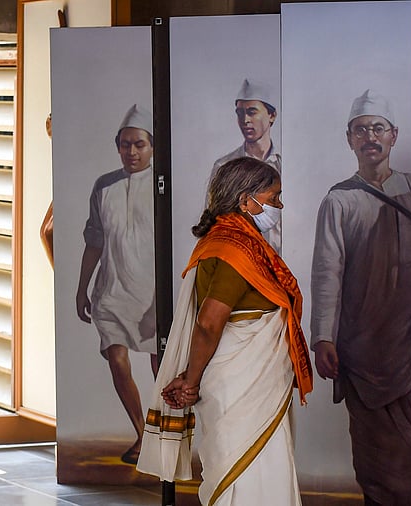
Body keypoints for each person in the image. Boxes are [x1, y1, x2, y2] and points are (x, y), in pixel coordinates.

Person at [138, 157, 313, 505]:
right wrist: (191, 379)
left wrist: (192, 376)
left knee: (259, 464)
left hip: (248, 378)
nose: (278, 205)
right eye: (273, 197)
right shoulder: (236, 248)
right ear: (246, 200)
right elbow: (209, 321)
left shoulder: (233, 241)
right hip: (241, 379)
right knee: (250, 468)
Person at [311, 89, 411, 505]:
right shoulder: (339, 200)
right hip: (364, 349)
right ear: (349, 139)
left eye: (378, 128)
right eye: (361, 130)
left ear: (394, 135)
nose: (370, 137)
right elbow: (327, 272)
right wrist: (323, 338)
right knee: (375, 457)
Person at [75, 103, 158, 465]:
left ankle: (165, 435)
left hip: (152, 294)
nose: (132, 152)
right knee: (117, 359)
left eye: (139, 144)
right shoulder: (103, 186)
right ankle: (142, 434)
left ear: (152, 147)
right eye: (125, 144)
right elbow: (94, 240)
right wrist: (81, 288)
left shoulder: (161, 185)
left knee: (162, 367)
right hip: (111, 291)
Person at [211, 78, 281, 251]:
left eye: (252, 112)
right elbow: (214, 221)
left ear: (271, 115)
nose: (245, 120)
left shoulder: (284, 165)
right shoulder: (224, 166)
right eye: (240, 113)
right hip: (239, 259)